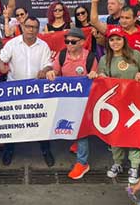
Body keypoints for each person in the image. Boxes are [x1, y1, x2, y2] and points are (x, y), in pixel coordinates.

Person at [0, 16, 55, 167]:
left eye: (34, 27)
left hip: (36, 91)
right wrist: (2, 67)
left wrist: (45, 70)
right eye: (28, 26)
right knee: (12, 122)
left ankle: (45, 150)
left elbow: (49, 65)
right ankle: (9, 150)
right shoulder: (12, 43)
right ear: (22, 27)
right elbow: (0, 59)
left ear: (38, 29)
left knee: (41, 121)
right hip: (15, 90)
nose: (31, 29)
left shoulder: (43, 46)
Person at [46, 27, 98, 179]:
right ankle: (76, 142)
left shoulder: (90, 58)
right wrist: (51, 72)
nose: (69, 44)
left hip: (84, 100)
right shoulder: (62, 55)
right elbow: (55, 71)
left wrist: (95, 75)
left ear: (82, 42)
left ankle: (82, 163)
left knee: (82, 131)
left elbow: (97, 80)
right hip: (66, 100)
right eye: (67, 41)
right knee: (71, 124)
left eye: (73, 42)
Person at [98, 27, 140, 184]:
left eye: (118, 39)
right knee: (116, 134)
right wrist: (101, 77)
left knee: (134, 132)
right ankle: (118, 163)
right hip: (116, 104)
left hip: (136, 103)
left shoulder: (136, 55)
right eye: (112, 39)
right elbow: (101, 80)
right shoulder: (105, 59)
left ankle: (134, 165)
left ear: (124, 40)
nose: (115, 42)